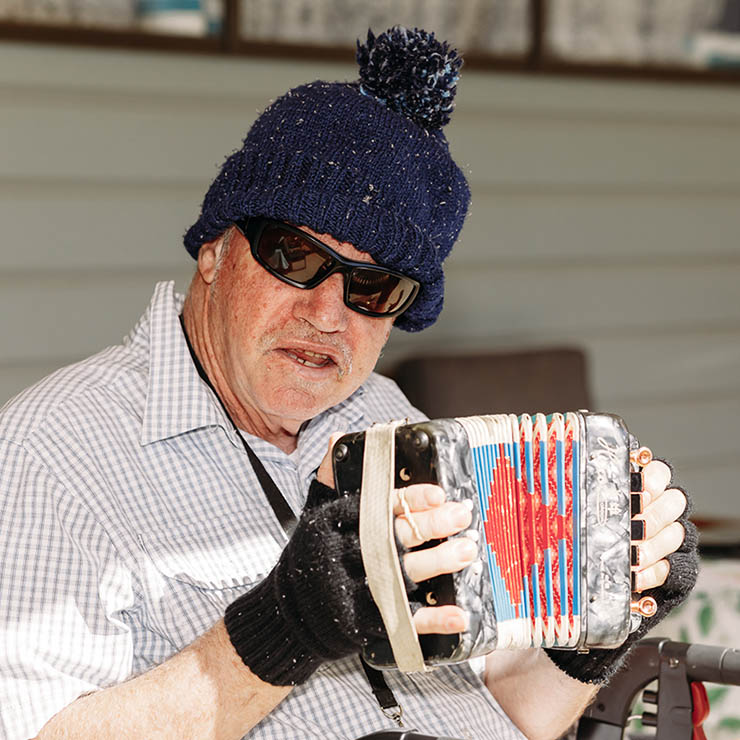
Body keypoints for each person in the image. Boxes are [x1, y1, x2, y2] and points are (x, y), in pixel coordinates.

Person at [0, 27, 697, 740]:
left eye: (373, 287)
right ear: (215, 249)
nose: (327, 313)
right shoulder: (52, 450)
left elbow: (499, 711)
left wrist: (591, 643)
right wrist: (279, 631)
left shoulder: (388, 423)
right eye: (295, 256)